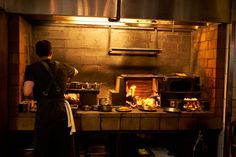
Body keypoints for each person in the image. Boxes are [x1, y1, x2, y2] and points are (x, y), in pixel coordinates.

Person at [23, 40, 78, 157]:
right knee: (62, 146)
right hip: (61, 110)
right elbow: (75, 71)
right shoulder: (63, 66)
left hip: (45, 111)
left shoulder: (32, 68)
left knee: (44, 146)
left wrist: (36, 96)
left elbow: (27, 92)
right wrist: (65, 81)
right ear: (51, 52)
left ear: (37, 53)